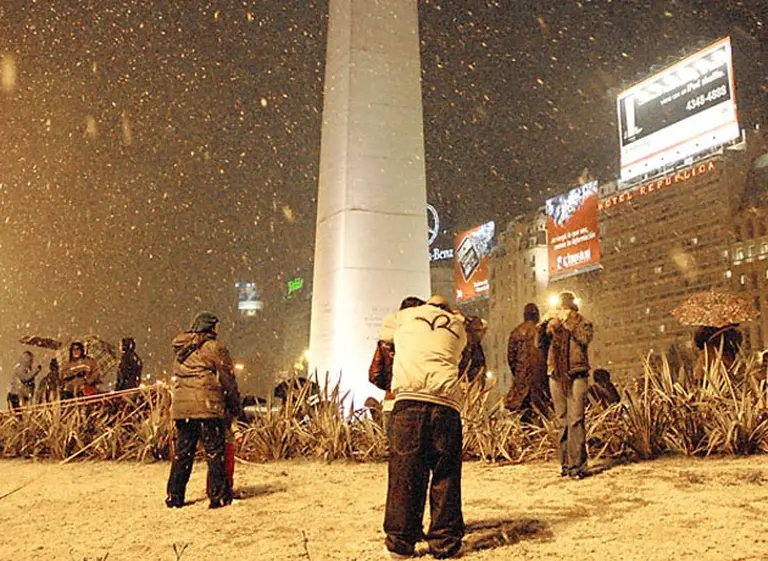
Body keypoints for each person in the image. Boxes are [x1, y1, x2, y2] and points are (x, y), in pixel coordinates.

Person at [379, 295, 467, 559]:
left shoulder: (406, 317)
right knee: (446, 475)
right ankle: (445, 542)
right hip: (445, 405)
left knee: (405, 475)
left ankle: (400, 543)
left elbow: (385, 334)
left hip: (409, 403)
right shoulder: (457, 328)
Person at [166, 311, 242, 509]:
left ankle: (175, 495)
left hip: (183, 409)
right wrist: (235, 405)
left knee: (183, 453)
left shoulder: (181, 350)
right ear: (211, 328)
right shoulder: (215, 348)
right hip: (207, 407)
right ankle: (218, 496)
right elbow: (227, 378)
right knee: (215, 452)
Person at [542, 292, 594, 479]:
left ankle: (578, 466)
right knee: (562, 421)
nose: (562, 312)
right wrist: (543, 324)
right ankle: (565, 465)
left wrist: (568, 323)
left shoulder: (582, 322)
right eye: (560, 309)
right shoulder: (553, 328)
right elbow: (538, 343)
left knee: (576, 420)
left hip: (577, 374)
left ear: (573, 309)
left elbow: (584, 339)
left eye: (565, 308)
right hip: (556, 375)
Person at [369, 296, 425, 432]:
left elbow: (374, 374)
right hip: (417, 401)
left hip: (390, 401)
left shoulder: (386, 341)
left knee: (392, 449)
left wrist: (391, 387)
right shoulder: (423, 341)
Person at [504, 303, 550, 423]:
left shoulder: (516, 332)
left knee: (524, 416)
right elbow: (549, 355)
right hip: (540, 378)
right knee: (542, 414)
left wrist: (519, 372)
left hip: (522, 380)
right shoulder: (542, 332)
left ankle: (526, 438)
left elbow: (511, 358)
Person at [458, 316, 487, 387]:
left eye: (481, 330)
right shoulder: (463, 346)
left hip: (475, 384)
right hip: (464, 384)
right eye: (477, 330)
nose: (482, 334)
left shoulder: (477, 346)